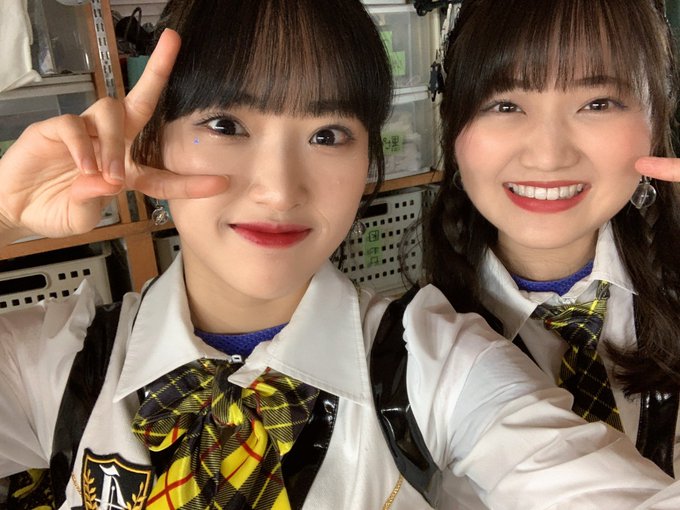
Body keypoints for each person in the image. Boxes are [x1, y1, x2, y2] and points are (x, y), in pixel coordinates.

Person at [2, 0, 680, 509]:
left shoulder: (434, 363)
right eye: (226, 124)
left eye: (327, 135)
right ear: (150, 144)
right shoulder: (50, 366)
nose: (278, 190)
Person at [422, 0, 680, 507]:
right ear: (453, 130)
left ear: (657, 117)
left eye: (598, 103)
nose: (548, 156)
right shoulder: (408, 347)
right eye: (505, 104)